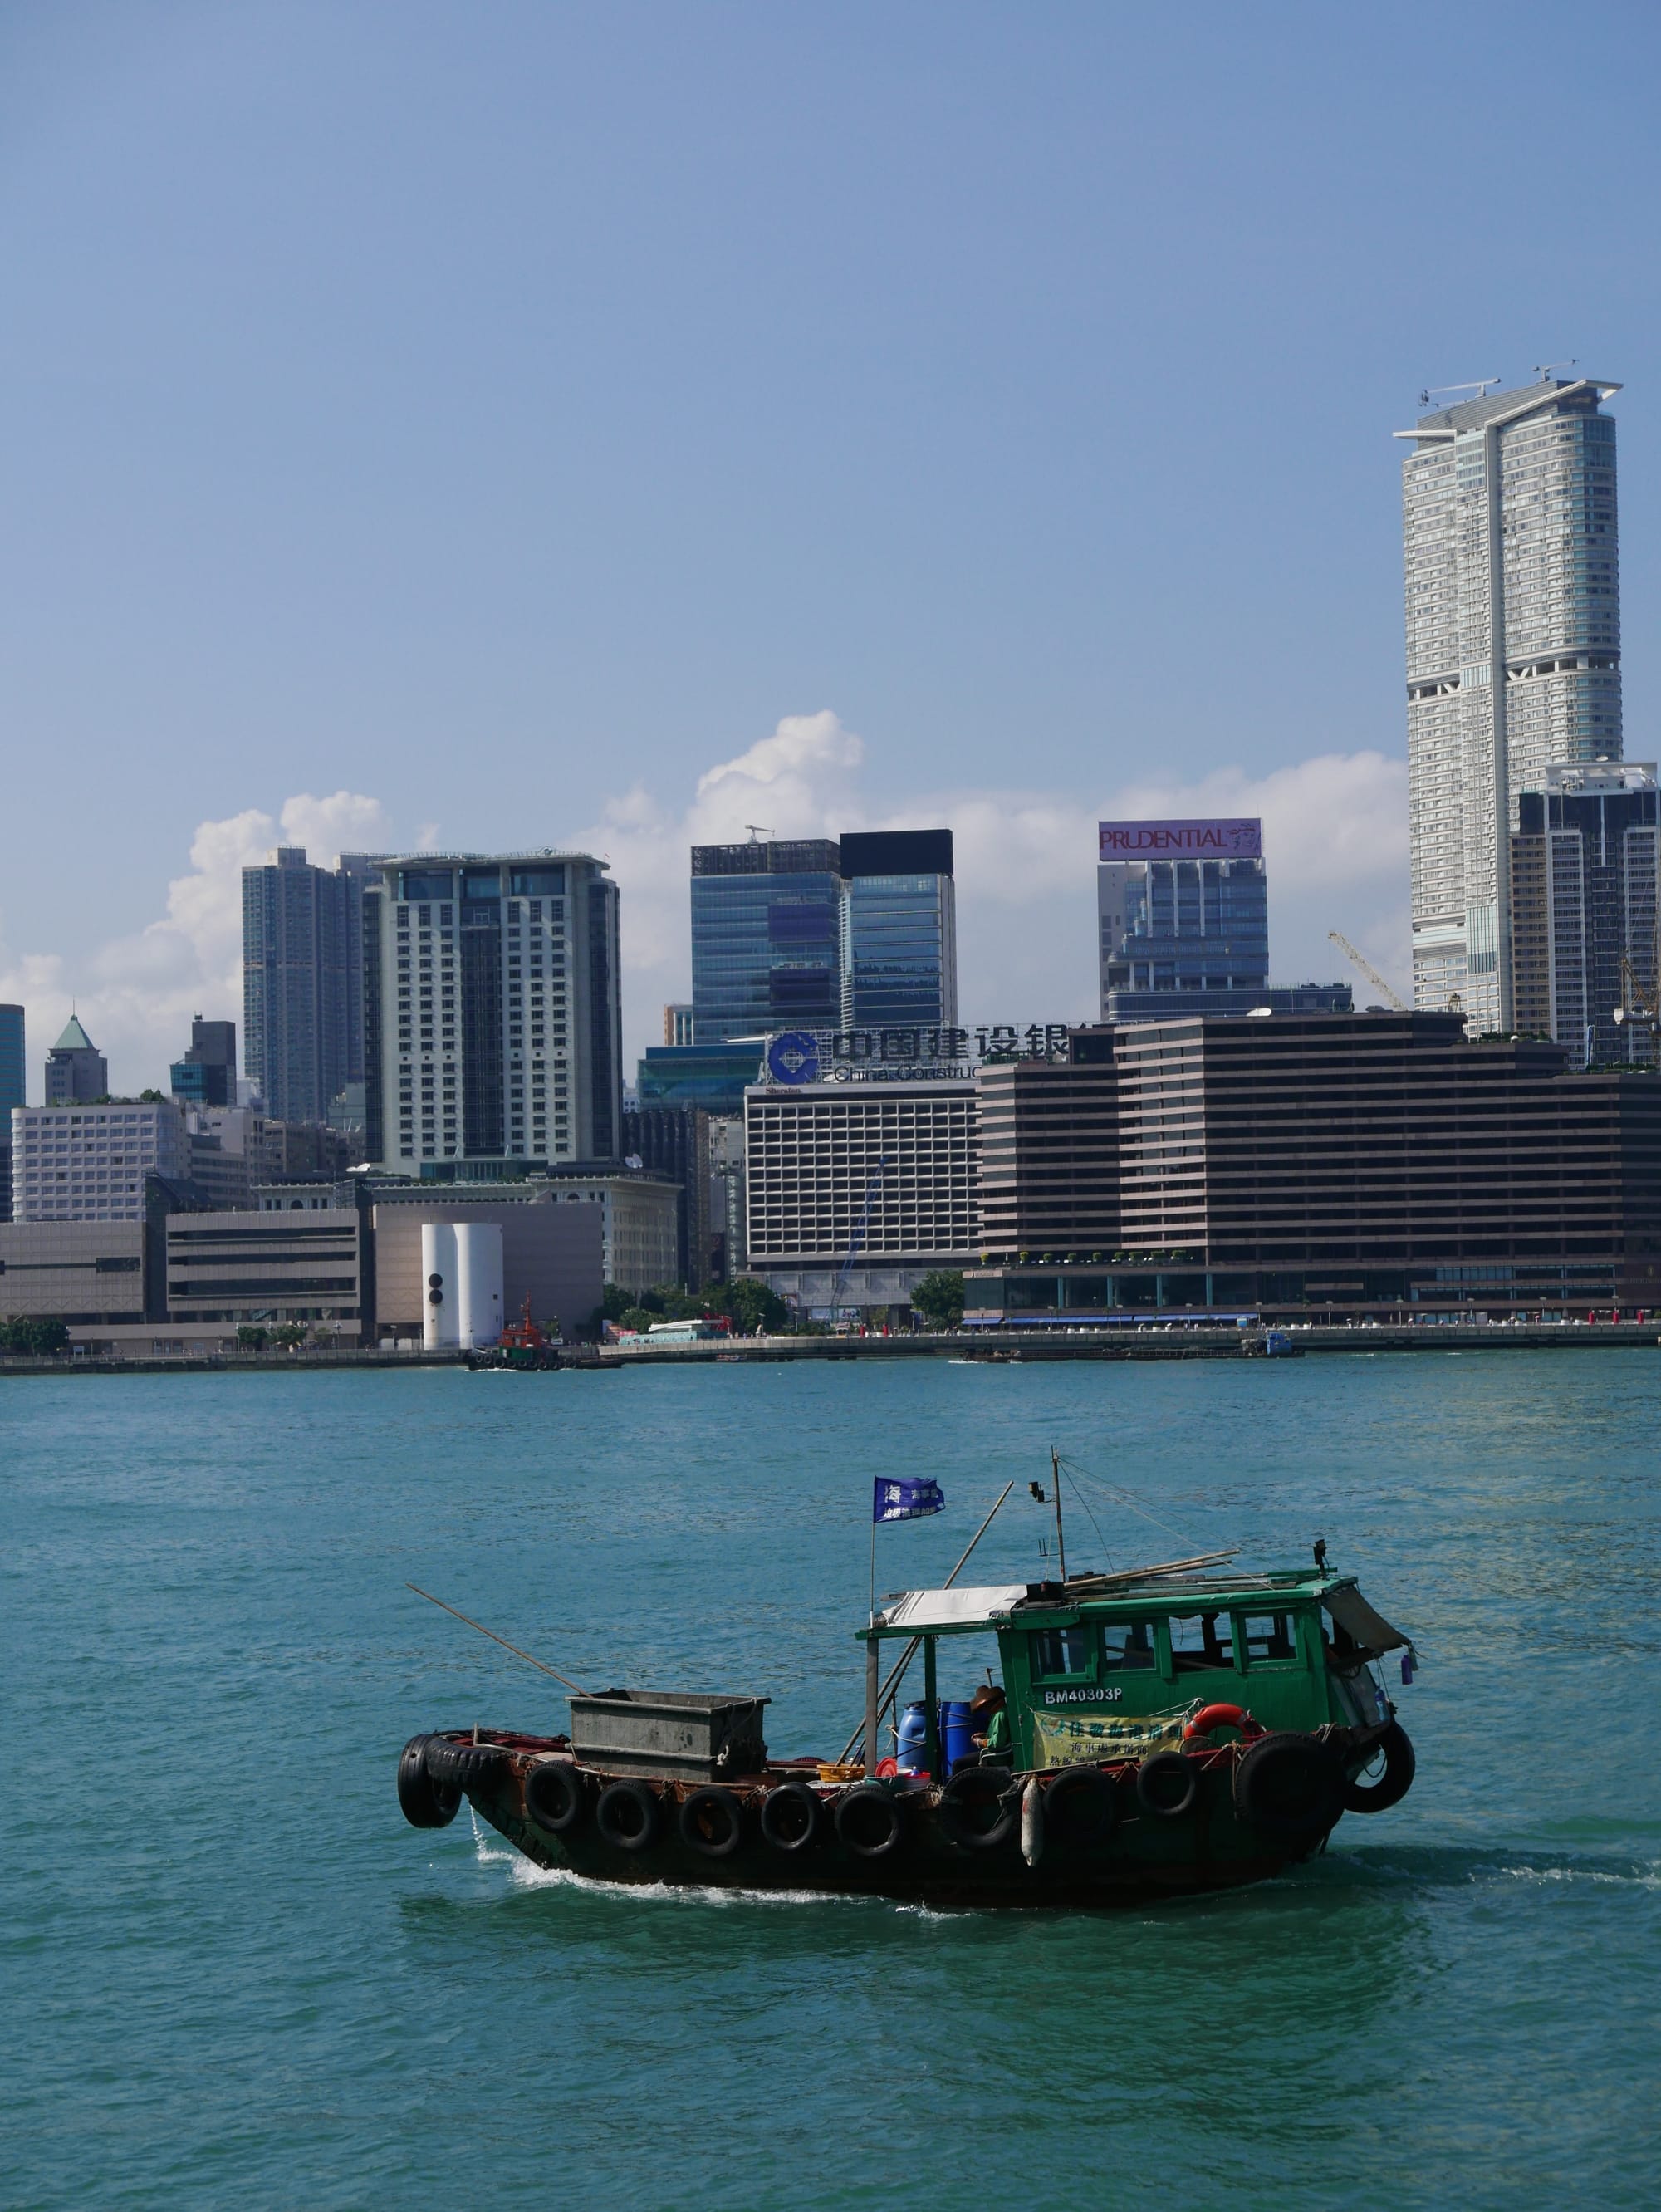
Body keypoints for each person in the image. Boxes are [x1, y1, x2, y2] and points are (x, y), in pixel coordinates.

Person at [969, 1684, 1009, 1760]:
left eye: (983, 1707)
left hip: (998, 1757)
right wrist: (985, 1735)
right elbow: (1002, 1734)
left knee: (958, 1764)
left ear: (989, 1703)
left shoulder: (1000, 1715)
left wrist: (980, 1742)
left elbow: (997, 1743)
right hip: (997, 1752)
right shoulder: (999, 1713)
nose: (983, 1710)